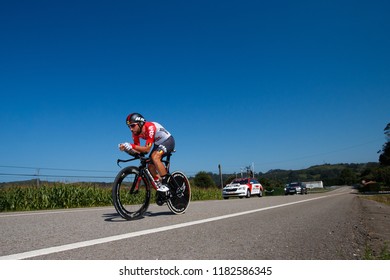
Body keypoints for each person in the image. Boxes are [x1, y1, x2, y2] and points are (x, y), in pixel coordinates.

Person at [118, 113, 175, 192]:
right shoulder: (135, 134)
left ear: (140, 123)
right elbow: (138, 150)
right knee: (150, 166)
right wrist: (126, 148)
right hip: (157, 144)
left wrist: (131, 145)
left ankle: (166, 184)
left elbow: (147, 149)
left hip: (168, 141)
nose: (131, 129)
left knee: (155, 157)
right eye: (129, 126)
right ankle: (159, 184)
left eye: (133, 125)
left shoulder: (150, 127)